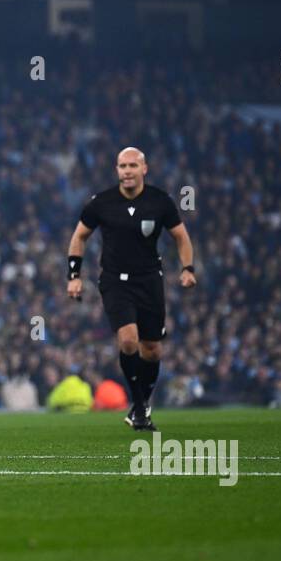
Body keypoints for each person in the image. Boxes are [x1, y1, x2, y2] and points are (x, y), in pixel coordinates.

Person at [66, 146, 196, 432]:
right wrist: (74, 275)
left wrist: (188, 269)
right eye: (122, 167)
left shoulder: (160, 202)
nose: (126, 172)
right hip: (114, 280)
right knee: (128, 341)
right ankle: (140, 406)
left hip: (149, 280)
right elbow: (79, 237)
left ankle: (140, 406)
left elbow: (181, 238)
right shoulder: (101, 203)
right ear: (117, 170)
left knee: (151, 350)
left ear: (143, 169)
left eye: (132, 166)